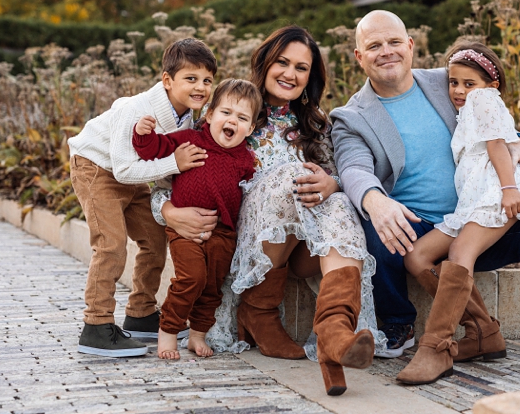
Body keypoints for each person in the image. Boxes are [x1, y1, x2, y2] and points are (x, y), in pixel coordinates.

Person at [330, 10, 520, 384]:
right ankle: (424, 326)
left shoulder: (450, 81)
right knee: (371, 217)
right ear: (358, 56)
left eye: (394, 42)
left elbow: (497, 121)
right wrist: (375, 199)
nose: (387, 52)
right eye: (374, 46)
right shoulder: (351, 116)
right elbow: (353, 167)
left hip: (485, 221)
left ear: (411, 46)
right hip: (421, 231)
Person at [153, 26, 383, 396]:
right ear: (264, 62)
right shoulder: (228, 113)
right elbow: (162, 181)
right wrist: (168, 211)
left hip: (301, 249)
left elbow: (341, 176)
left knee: (337, 199)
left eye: (301, 68)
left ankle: (336, 335)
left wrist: (333, 183)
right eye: (282, 62)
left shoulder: (315, 125)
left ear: (311, 77)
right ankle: (257, 310)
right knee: (291, 175)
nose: (290, 74)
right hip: (241, 246)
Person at [396, 43, 520, 383]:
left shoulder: (484, 99)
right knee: (417, 257)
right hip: (472, 202)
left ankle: (436, 347)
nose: (459, 90)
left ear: (491, 85)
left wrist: (508, 189)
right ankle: (482, 331)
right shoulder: (469, 106)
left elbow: (496, 144)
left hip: (494, 193)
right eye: (454, 82)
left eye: (468, 83)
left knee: (462, 251)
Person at [68, 38, 217, 357]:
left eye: (207, 80)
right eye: (191, 79)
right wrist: (174, 162)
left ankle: (141, 313)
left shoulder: (187, 116)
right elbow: (123, 169)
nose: (200, 87)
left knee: (153, 237)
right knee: (110, 243)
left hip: (133, 175)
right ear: (167, 80)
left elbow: (161, 168)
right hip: (96, 168)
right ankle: (96, 325)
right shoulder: (135, 109)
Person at [132, 78, 261, 359]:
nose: (232, 121)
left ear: (250, 129)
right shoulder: (189, 140)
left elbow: (251, 193)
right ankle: (168, 331)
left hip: (223, 232)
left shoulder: (245, 159)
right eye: (226, 113)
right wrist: (143, 135)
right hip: (184, 231)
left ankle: (197, 335)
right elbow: (154, 150)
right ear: (210, 114)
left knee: (212, 284)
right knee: (192, 277)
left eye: (242, 118)